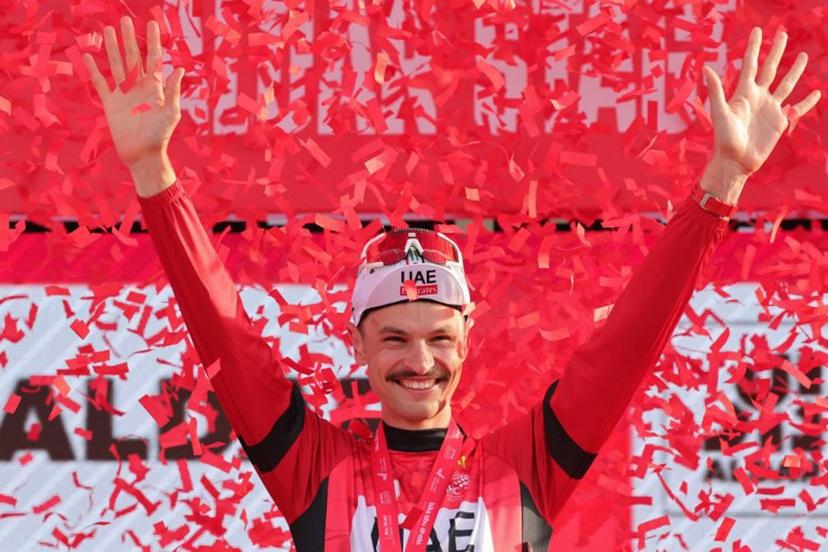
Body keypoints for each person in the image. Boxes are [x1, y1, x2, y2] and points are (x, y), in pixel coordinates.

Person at [82, 16, 819, 551]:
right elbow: (227, 334)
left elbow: (626, 345)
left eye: (439, 336)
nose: (421, 361)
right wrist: (153, 172)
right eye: (394, 338)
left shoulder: (524, 470)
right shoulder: (314, 470)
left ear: (468, 336)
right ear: (357, 342)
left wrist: (724, 180)